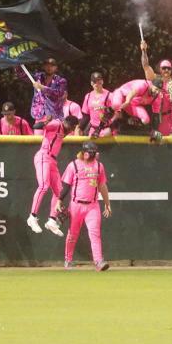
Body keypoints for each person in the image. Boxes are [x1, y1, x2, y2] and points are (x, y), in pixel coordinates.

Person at [56, 140, 112, 271]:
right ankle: (68, 260)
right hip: (76, 205)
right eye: (90, 153)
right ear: (84, 152)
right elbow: (66, 186)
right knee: (73, 234)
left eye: (94, 153)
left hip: (92, 206)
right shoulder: (74, 165)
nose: (92, 155)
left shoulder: (99, 166)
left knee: (95, 233)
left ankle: (98, 261)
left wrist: (107, 204)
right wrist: (59, 200)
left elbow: (102, 185)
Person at [27, 115, 79, 237]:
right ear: (66, 122)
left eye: (73, 128)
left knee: (59, 192)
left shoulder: (64, 130)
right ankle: (32, 217)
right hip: (43, 156)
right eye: (71, 126)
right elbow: (37, 126)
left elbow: (62, 134)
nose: (71, 129)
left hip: (52, 160)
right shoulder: (56, 124)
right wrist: (46, 121)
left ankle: (52, 220)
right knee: (44, 186)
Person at [22, 57, 67, 127]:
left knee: (51, 137)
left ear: (56, 68)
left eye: (52, 65)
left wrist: (42, 87)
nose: (49, 67)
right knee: (38, 137)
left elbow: (58, 93)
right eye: (47, 65)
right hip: (39, 115)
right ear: (43, 66)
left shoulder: (61, 81)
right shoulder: (38, 77)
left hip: (54, 116)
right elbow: (23, 75)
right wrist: (17, 64)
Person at [79, 72, 112, 138]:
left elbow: (116, 113)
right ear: (91, 83)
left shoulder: (109, 95)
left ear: (102, 81)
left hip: (106, 129)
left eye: (99, 81)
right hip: (93, 128)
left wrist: (109, 122)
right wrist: (80, 128)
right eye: (94, 81)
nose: (96, 83)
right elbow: (86, 115)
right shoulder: (88, 96)